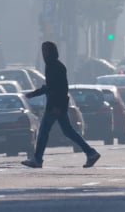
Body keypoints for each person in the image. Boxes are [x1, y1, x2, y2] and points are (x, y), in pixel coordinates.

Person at [22, 41, 101, 169]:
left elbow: (59, 88)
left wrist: (56, 105)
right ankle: (91, 152)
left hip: (55, 105)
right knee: (67, 131)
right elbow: (50, 87)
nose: (44, 53)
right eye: (43, 51)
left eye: (46, 51)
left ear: (52, 51)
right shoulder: (53, 65)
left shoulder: (55, 66)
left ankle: (37, 159)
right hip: (56, 104)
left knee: (43, 131)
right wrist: (35, 93)